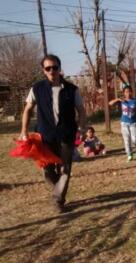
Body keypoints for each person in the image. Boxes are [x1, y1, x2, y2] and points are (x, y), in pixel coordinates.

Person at [19, 54, 87, 212]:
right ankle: (58, 188)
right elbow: (28, 109)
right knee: (47, 171)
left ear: (59, 68)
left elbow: (81, 110)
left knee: (65, 169)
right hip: (45, 136)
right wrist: (24, 131)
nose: (52, 70)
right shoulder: (36, 89)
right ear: (43, 70)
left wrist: (82, 128)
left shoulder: (71, 89)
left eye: (54, 67)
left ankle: (58, 200)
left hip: (66, 134)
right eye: (48, 68)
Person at [109, 85, 136, 162]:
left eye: (130, 91)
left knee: (134, 139)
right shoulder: (121, 101)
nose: (128, 93)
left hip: (133, 123)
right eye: (126, 92)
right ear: (124, 93)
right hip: (124, 123)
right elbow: (110, 103)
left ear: (132, 92)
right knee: (126, 140)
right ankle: (129, 154)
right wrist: (118, 99)